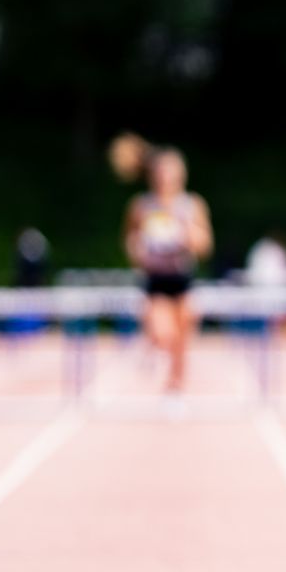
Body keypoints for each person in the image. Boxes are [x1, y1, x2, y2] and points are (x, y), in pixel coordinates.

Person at [120, 144, 213, 394]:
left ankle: (175, 386)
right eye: (162, 173)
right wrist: (136, 249)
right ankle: (152, 344)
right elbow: (129, 240)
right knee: (165, 335)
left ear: (180, 175)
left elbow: (205, 245)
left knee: (182, 341)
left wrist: (188, 235)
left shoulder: (192, 205)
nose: (165, 178)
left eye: (171, 172)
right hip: (155, 279)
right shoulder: (141, 206)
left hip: (183, 278)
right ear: (154, 176)